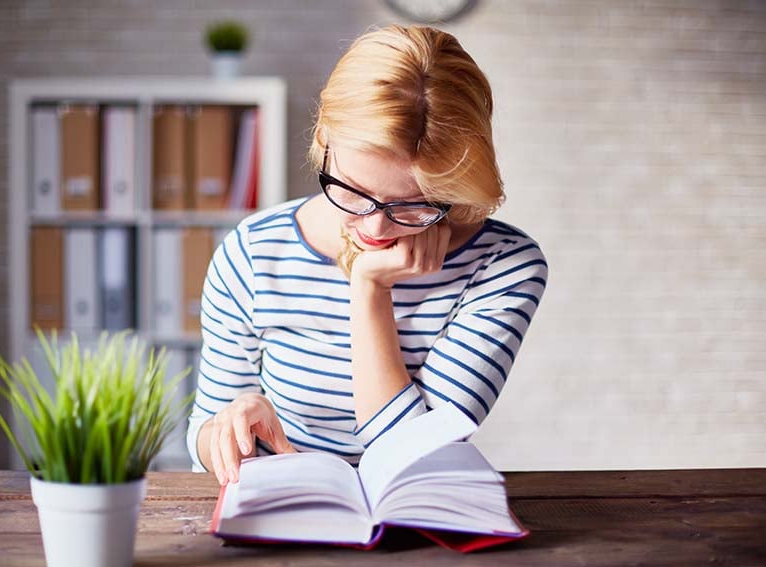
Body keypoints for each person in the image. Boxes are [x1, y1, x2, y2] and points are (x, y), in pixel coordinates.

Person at [187, 24, 547, 485]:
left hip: (416, 516)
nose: (375, 227)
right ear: (324, 141)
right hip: (285, 513)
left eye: (413, 204)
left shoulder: (505, 268)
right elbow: (201, 436)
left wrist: (370, 287)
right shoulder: (254, 252)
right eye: (354, 191)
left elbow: (412, 455)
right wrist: (229, 426)